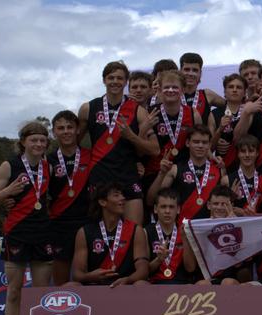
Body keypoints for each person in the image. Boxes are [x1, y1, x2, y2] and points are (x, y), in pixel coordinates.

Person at [0, 121, 53, 315]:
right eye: (33, 140)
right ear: (23, 142)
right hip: (16, 233)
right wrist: (9, 192)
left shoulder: (48, 165)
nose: (38, 144)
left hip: (43, 233)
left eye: (42, 141)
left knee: (41, 293)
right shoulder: (10, 165)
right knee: (14, 292)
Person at [78, 60, 160, 225]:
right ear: (104, 80)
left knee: (134, 231)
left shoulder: (139, 111)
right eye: (111, 77)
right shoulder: (88, 108)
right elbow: (73, 143)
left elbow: (155, 150)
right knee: (98, 233)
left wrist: (132, 136)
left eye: (120, 78)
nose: (115, 81)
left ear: (125, 82)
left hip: (127, 175)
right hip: (100, 175)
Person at [70, 181, 149, 286]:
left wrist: (128, 279)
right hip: (94, 285)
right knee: (71, 286)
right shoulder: (84, 232)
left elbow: (143, 271)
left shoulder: (136, 230)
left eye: (122, 195)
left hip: (125, 285)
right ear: (103, 202)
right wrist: (90, 277)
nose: (123, 198)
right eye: (116, 195)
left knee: (142, 284)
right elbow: (77, 274)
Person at [48, 110, 92, 286]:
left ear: (77, 130)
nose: (66, 131)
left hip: (88, 223)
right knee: (61, 284)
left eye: (69, 127)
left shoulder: (91, 155)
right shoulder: (47, 160)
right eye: (60, 128)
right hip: (59, 224)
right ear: (54, 132)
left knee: (88, 280)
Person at [147, 124, 223, 224]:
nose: (200, 145)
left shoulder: (218, 169)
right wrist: (161, 174)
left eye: (204, 142)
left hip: (208, 229)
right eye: (196, 142)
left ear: (209, 145)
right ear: (187, 143)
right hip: (181, 231)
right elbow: (151, 200)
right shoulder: (175, 169)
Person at [184, 185, 249, 285]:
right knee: (203, 284)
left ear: (231, 205)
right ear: (209, 205)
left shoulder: (240, 227)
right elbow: (190, 268)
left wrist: (234, 226)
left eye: (224, 204)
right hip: (205, 280)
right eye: (216, 203)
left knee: (227, 283)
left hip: (231, 280)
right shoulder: (198, 228)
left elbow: (243, 270)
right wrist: (185, 239)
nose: (219, 207)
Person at [146, 188, 193, 284]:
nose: (167, 211)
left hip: (181, 284)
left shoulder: (186, 231)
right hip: (155, 284)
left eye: (171, 207)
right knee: (141, 284)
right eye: (163, 207)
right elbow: (145, 272)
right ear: (155, 209)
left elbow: (190, 268)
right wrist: (158, 260)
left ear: (178, 209)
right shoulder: (145, 232)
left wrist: (185, 240)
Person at [220, 134, 262, 215]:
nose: (247, 155)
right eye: (243, 151)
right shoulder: (226, 180)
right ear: (238, 154)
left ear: (257, 153)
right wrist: (230, 198)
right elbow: (220, 211)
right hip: (235, 226)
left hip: (258, 226)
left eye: (251, 151)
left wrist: (244, 213)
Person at [210, 74, 247, 168]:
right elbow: (209, 148)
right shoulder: (214, 113)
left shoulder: (250, 111)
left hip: (247, 164)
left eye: (238, 87)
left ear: (244, 92)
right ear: (225, 92)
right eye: (231, 87)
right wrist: (219, 130)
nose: (234, 90)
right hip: (222, 165)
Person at [179, 52, 226, 122]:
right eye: (187, 69)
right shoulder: (173, 94)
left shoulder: (207, 94)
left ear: (200, 73)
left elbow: (231, 106)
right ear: (180, 71)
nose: (190, 73)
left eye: (195, 70)